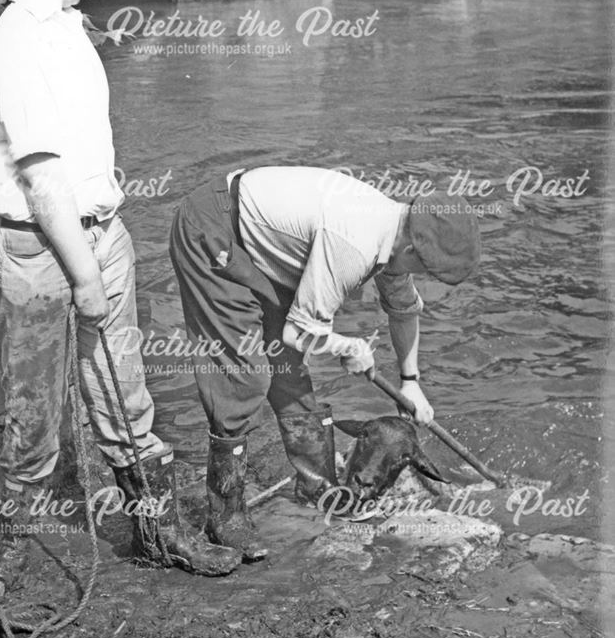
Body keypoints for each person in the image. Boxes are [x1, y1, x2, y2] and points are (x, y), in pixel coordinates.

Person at [0, 0, 238, 577]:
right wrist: (83, 273)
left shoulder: (64, 26)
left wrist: (102, 246)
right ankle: (7, 570)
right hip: (38, 248)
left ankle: (157, 537)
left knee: (126, 394)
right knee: (33, 423)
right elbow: (40, 172)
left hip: (99, 231)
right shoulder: (18, 42)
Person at [169, 166, 481, 562]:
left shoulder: (396, 233)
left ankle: (317, 492)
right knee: (246, 377)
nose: (423, 277)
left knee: (289, 374)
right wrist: (348, 346)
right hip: (214, 232)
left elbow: (402, 308)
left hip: (259, 243)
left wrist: (410, 381)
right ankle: (226, 515)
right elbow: (297, 333)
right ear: (411, 251)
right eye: (426, 270)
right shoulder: (354, 243)